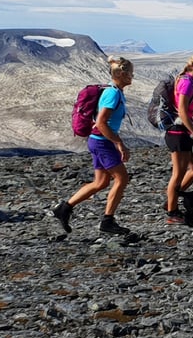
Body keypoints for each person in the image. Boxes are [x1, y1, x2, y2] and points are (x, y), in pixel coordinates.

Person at [53, 55, 135, 235]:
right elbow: (101, 122)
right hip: (102, 143)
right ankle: (108, 221)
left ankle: (64, 209)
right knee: (122, 178)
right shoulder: (112, 93)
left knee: (101, 182)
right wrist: (119, 144)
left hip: (97, 141)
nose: (132, 76)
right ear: (121, 74)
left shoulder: (115, 91)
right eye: (130, 73)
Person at [164, 53, 193, 225]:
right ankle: (172, 212)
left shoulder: (184, 80)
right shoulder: (186, 83)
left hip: (182, 133)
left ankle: (172, 199)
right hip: (179, 133)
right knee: (178, 174)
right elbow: (182, 111)